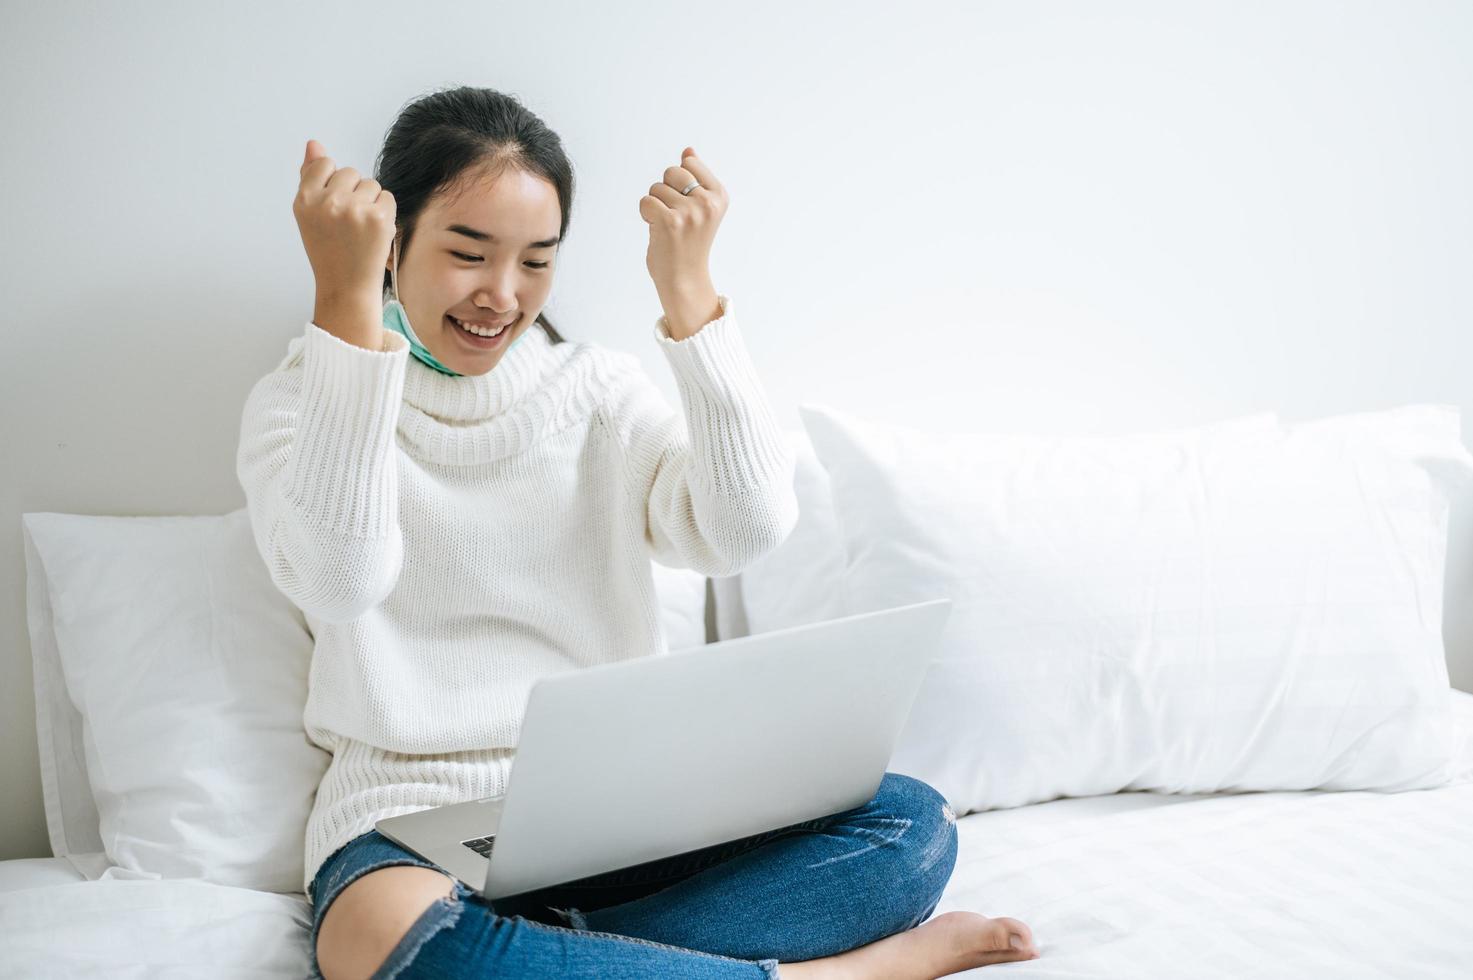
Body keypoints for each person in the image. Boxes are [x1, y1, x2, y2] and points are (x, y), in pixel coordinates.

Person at [237, 85, 1039, 980]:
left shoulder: (595, 396)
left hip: (613, 825)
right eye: (468, 253)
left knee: (908, 827)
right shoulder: (306, 401)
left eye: (536, 262)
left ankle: (555, 960)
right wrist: (344, 306)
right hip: (404, 828)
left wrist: (689, 297)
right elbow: (340, 579)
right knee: (377, 938)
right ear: (394, 244)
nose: (502, 296)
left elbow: (742, 530)